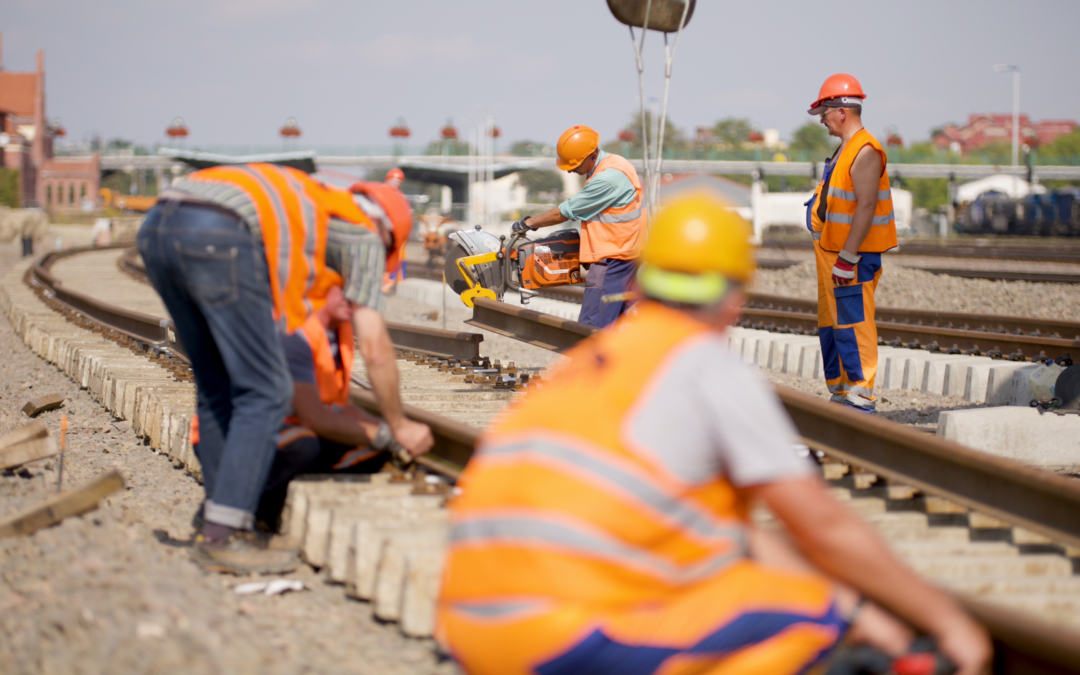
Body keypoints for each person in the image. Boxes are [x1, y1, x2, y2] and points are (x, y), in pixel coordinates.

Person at [437, 193, 990, 675]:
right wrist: (945, 622)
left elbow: (736, 539)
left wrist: (865, 613)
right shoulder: (701, 362)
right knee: (812, 619)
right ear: (733, 298)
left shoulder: (592, 362)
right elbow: (821, 525)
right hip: (553, 640)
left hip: (469, 628)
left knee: (789, 599)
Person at [138, 162, 433, 574]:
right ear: (388, 237)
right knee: (266, 391)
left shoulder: (316, 206)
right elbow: (376, 347)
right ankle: (224, 537)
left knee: (216, 386)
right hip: (215, 231)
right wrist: (398, 426)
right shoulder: (361, 232)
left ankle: (219, 521)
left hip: (158, 225)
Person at [256, 284, 395, 530]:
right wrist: (381, 434)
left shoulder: (340, 332)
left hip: (295, 426)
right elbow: (314, 417)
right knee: (304, 445)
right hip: (256, 431)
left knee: (373, 452)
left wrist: (390, 431)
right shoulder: (297, 331)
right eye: (341, 289)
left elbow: (339, 405)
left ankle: (285, 495)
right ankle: (256, 510)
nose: (351, 297)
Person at [805, 73, 898, 413]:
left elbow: (867, 205)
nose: (823, 122)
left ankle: (860, 395)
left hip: (849, 258)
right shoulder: (846, 148)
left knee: (854, 323)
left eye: (825, 114)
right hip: (832, 255)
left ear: (841, 111)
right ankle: (843, 391)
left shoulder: (866, 150)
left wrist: (847, 257)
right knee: (834, 324)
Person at [510, 125, 646, 328]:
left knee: (591, 327)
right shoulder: (617, 163)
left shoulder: (607, 179)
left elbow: (564, 212)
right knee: (620, 326)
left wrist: (528, 223)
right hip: (626, 256)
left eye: (575, 164)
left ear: (592, 156)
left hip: (612, 261)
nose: (571, 169)